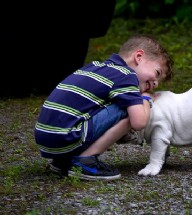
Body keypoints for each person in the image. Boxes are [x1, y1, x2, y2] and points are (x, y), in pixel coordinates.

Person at [34, 34, 174, 181]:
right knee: (129, 109)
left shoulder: (95, 67)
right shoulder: (126, 76)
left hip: (46, 138)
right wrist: (145, 99)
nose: (155, 84)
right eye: (157, 73)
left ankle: (63, 161)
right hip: (66, 136)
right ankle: (84, 161)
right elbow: (138, 122)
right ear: (138, 57)